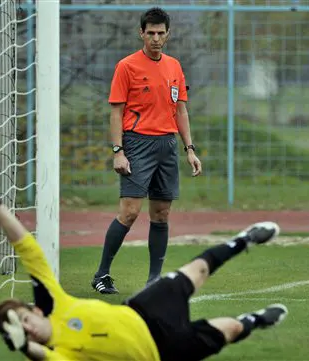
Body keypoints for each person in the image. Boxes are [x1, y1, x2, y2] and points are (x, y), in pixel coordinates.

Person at [0, 172, 289, 361]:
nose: (29, 330)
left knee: (197, 270)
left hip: (143, 311)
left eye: (25, 321)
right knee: (229, 329)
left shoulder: (52, 303)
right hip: (163, 352)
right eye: (22, 331)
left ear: (35, 311)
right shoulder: (59, 353)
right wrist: (25, 347)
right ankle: (255, 320)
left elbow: (27, 249)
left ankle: (244, 240)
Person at [91, 7, 202, 294]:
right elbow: (116, 113)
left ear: (167, 34)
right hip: (137, 143)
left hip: (167, 145)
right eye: (150, 33)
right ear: (141, 33)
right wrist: (118, 151)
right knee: (129, 212)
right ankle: (102, 275)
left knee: (162, 213)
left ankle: (154, 280)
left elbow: (180, 109)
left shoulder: (174, 66)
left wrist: (189, 149)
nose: (155, 38)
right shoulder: (126, 66)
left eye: (160, 33)